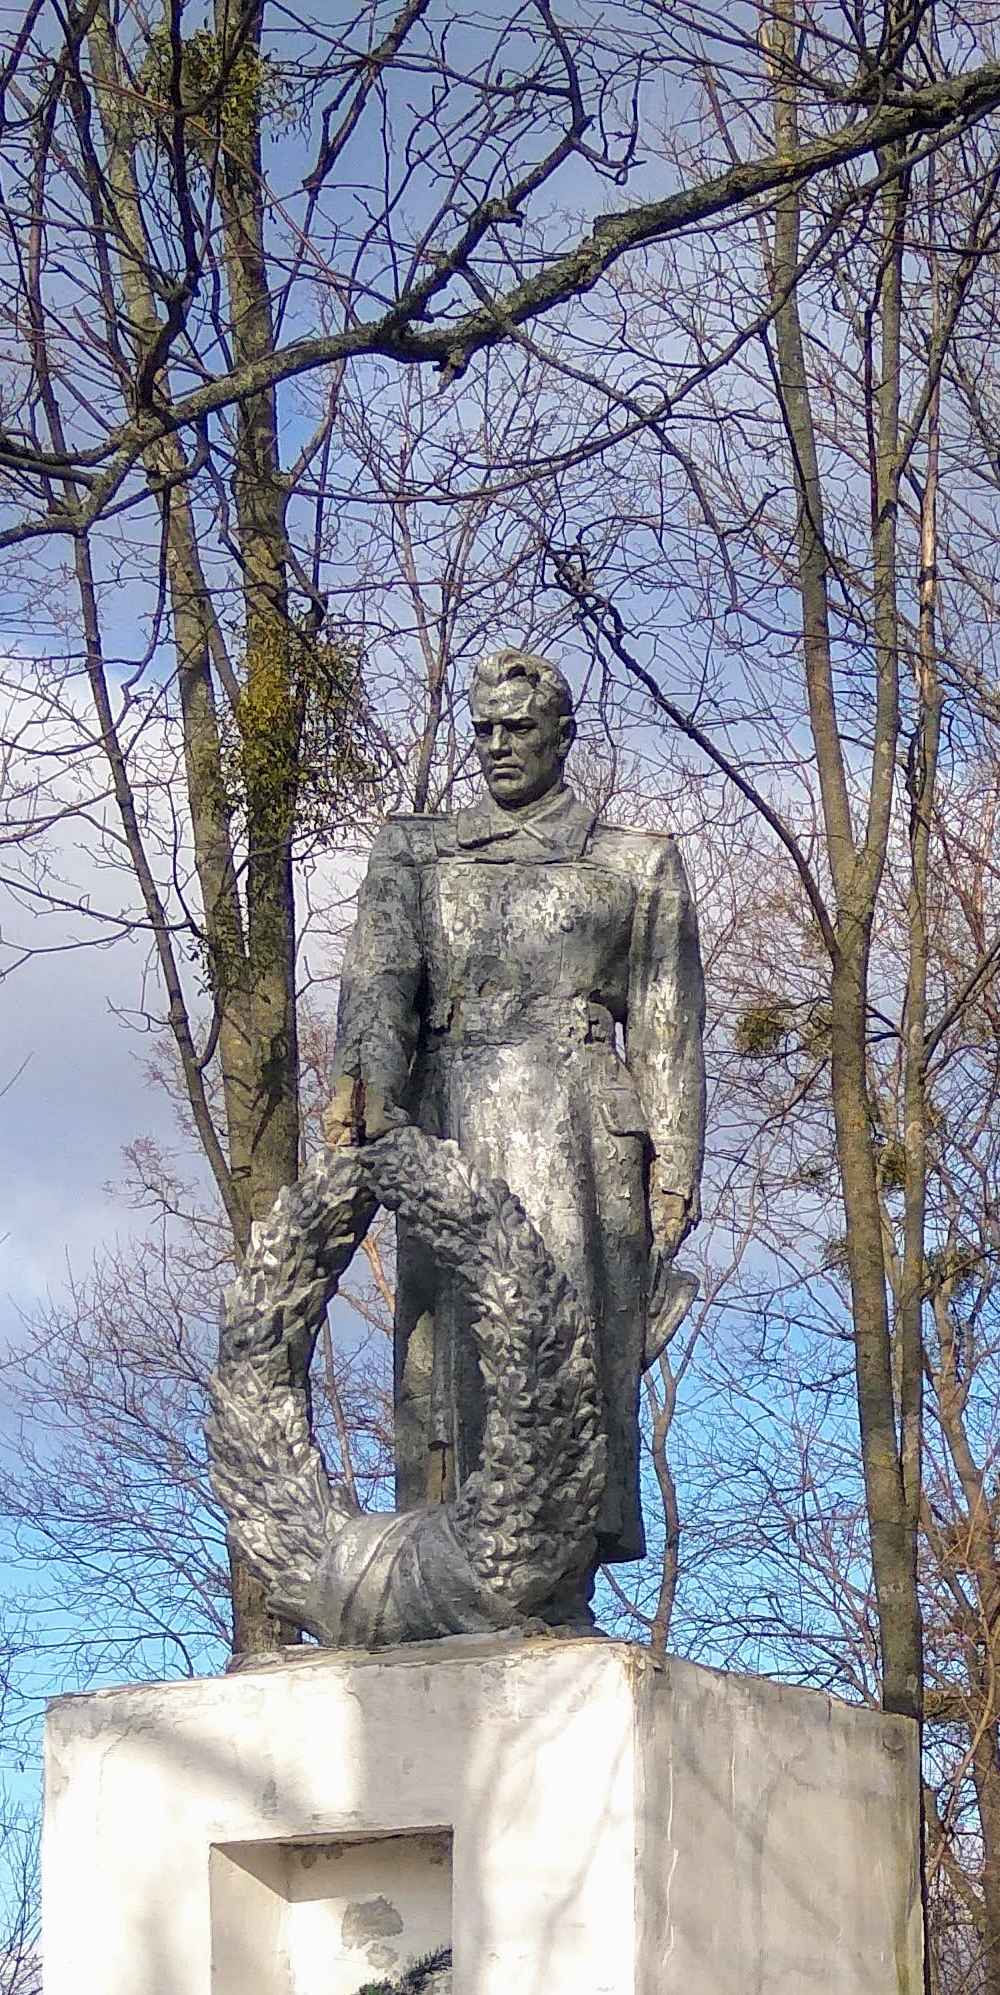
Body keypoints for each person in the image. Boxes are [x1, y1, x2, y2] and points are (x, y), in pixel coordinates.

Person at [329, 649, 704, 1568]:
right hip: (454, 1118)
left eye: (519, 729)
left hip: (583, 1129)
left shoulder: (635, 863)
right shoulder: (416, 851)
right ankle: (454, 1560)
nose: (496, 746)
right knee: (448, 1346)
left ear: (563, 737)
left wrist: (676, 1171)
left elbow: (666, 1028)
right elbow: (380, 984)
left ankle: (561, 1564)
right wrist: (363, 1105)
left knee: (575, 1336)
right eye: (483, 729)